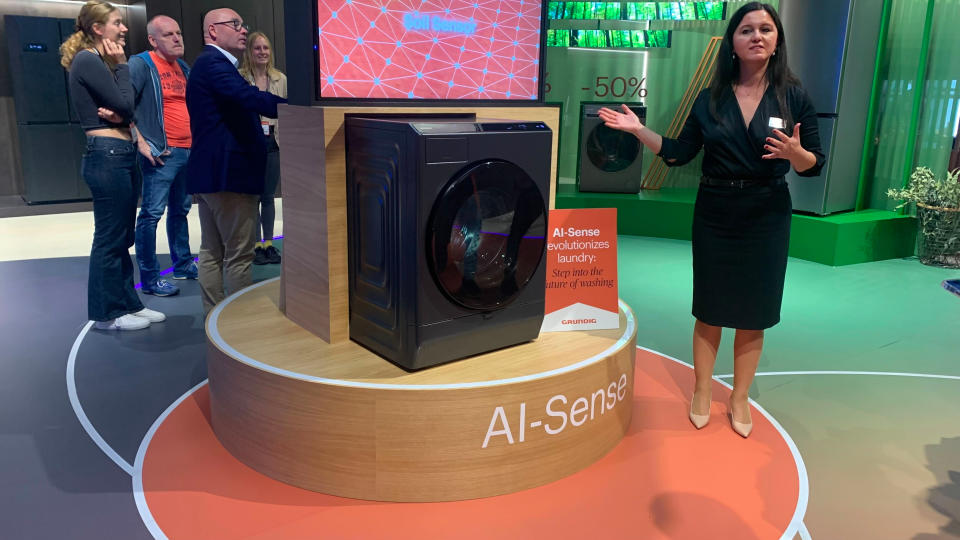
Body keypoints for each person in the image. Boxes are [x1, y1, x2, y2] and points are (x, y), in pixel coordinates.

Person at [598, 2, 825, 438]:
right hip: (716, 211)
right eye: (746, 30)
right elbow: (680, 151)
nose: (756, 36)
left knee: (754, 312)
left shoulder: (793, 96)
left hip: (767, 213)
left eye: (765, 29)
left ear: (777, 41)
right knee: (710, 307)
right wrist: (638, 130)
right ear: (733, 44)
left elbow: (813, 164)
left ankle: (738, 397)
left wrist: (798, 155)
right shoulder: (710, 98)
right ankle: (702, 389)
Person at [60, 0, 166, 331]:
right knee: (109, 238)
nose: (123, 28)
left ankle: (128, 304)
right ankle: (109, 313)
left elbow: (124, 109)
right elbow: (125, 103)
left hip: (118, 155)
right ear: (97, 28)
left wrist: (124, 113)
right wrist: (121, 67)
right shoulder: (89, 61)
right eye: (117, 22)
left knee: (122, 237)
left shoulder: (98, 62)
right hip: (106, 156)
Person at [185, 8, 286, 315]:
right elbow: (250, 98)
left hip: (213, 176)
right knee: (238, 256)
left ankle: (215, 319)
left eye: (244, 24)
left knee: (212, 252)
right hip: (228, 177)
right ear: (213, 31)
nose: (243, 30)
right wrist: (297, 107)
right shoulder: (215, 64)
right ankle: (239, 327)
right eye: (235, 25)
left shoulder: (209, 65)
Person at [129, 15, 194, 297]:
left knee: (180, 211)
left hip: (188, 150)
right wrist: (140, 141)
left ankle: (182, 264)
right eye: (168, 34)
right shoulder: (141, 64)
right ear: (153, 40)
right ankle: (150, 278)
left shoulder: (183, 67)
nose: (177, 38)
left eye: (178, 33)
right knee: (151, 215)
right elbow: (123, 103)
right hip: (162, 153)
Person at [239, 31, 287, 266]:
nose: (262, 52)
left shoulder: (281, 79)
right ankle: (255, 245)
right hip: (249, 144)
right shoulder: (239, 77)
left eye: (266, 48)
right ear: (249, 51)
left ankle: (268, 244)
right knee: (252, 197)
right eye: (257, 48)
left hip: (274, 143)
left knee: (268, 197)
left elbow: (287, 114)